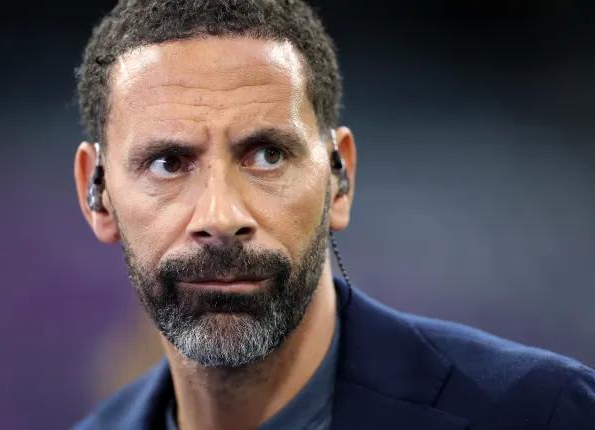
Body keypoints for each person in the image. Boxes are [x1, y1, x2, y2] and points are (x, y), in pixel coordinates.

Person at [71, 1, 595, 429]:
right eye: (168, 163)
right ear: (97, 192)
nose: (221, 215)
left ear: (340, 179)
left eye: (267, 155)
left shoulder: (543, 413)